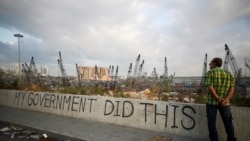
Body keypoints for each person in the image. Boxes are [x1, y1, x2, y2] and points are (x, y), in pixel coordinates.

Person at [205, 57, 237, 141]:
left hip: (212, 102)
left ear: (215, 63)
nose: (209, 64)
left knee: (212, 123)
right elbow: (232, 88)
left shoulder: (210, 73)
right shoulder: (228, 73)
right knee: (228, 122)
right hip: (225, 103)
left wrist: (217, 98)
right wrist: (226, 99)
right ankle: (231, 139)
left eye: (210, 63)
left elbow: (210, 86)